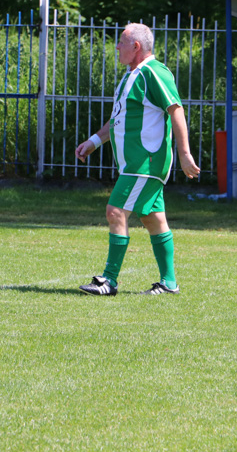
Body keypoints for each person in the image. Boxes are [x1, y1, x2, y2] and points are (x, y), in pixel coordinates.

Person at [75, 23, 200, 296]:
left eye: (122, 42)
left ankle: (109, 280)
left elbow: (176, 111)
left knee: (115, 211)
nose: (117, 47)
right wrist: (93, 142)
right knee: (153, 219)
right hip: (135, 164)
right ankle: (169, 283)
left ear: (136, 47)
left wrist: (184, 153)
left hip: (146, 162)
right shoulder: (130, 76)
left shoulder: (155, 72)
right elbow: (118, 121)